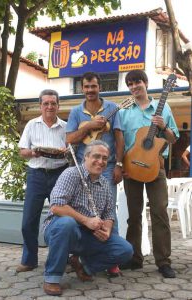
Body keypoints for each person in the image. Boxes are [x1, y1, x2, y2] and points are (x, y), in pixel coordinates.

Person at [43, 140, 133, 296]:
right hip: (60, 229)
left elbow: (109, 213)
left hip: (87, 234)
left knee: (125, 250)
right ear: (85, 157)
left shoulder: (105, 183)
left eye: (104, 158)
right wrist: (86, 220)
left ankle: (84, 266)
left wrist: (107, 228)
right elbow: (56, 206)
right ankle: (52, 277)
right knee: (67, 224)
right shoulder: (71, 174)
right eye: (96, 156)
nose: (101, 161)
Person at [119, 70, 179, 278]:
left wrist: (164, 127)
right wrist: (120, 164)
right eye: (130, 84)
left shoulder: (163, 108)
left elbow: (172, 140)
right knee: (133, 215)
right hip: (132, 167)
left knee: (160, 212)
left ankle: (163, 261)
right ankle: (134, 258)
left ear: (145, 83)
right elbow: (120, 141)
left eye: (137, 82)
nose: (134, 87)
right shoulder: (125, 111)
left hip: (156, 167)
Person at [66, 72, 124, 276]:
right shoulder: (75, 112)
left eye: (93, 86)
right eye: (86, 87)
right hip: (82, 168)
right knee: (83, 210)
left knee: (109, 211)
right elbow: (69, 139)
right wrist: (89, 126)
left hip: (106, 167)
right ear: (82, 88)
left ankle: (112, 259)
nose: (90, 90)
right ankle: (78, 254)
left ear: (100, 87)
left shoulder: (113, 108)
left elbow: (119, 137)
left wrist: (118, 164)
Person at [16, 89, 68, 273]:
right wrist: (33, 152)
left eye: (53, 103)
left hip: (60, 175)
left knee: (62, 220)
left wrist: (65, 152)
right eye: (46, 103)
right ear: (40, 105)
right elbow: (22, 151)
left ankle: (62, 259)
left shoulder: (65, 126)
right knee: (29, 220)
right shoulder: (31, 124)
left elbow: (71, 152)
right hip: (36, 175)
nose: (49, 106)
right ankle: (29, 260)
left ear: (58, 105)